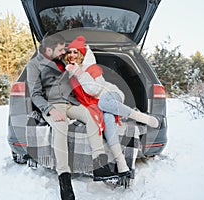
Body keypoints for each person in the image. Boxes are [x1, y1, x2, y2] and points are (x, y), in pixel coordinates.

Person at [26, 34, 117, 200]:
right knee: (61, 128)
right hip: (54, 105)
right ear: (48, 50)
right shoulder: (34, 65)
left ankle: (99, 164)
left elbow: (85, 65)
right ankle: (64, 179)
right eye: (61, 49)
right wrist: (50, 110)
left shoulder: (63, 61)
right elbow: (35, 94)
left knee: (92, 116)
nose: (64, 52)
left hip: (71, 103)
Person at [64, 36, 161, 178]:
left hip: (112, 94)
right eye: (69, 52)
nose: (72, 55)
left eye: (76, 52)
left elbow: (93, 90)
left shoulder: (92, 68)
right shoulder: (71, 72)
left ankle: (143, 117)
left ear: (82, 55)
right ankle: (121, 163)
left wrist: (79, 73)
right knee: (107, 118)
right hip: (99, 104)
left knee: (104, 104)